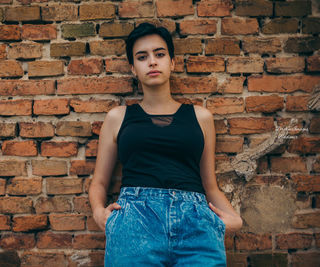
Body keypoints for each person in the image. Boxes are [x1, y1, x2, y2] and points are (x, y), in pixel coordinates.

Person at [88, 23, 243, 266]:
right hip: (134, 227)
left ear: (172, 62)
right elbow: (99, 182)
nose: (152, 62)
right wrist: (100, 214)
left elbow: (210, 186)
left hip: (196, 226)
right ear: (133, 69)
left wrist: (235, 219)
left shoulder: (201, 118)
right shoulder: (118, 117)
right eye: (142, 57)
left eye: (159, 54)